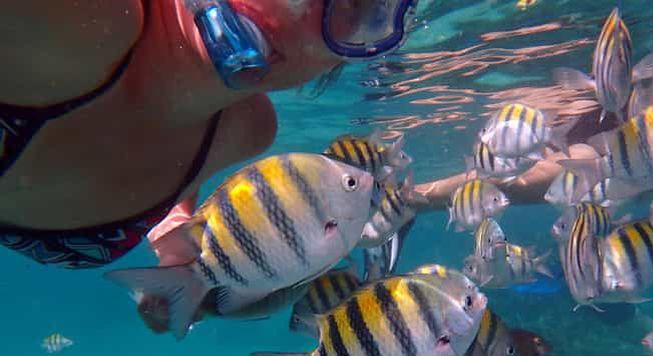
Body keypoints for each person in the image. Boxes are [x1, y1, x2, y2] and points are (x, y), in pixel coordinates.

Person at [0, 0, 417, 269]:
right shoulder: (84, 19)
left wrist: (176, 219)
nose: (297, 11)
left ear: (332, 66)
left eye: (361, 9)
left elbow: (174, 126)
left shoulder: (246, 130)